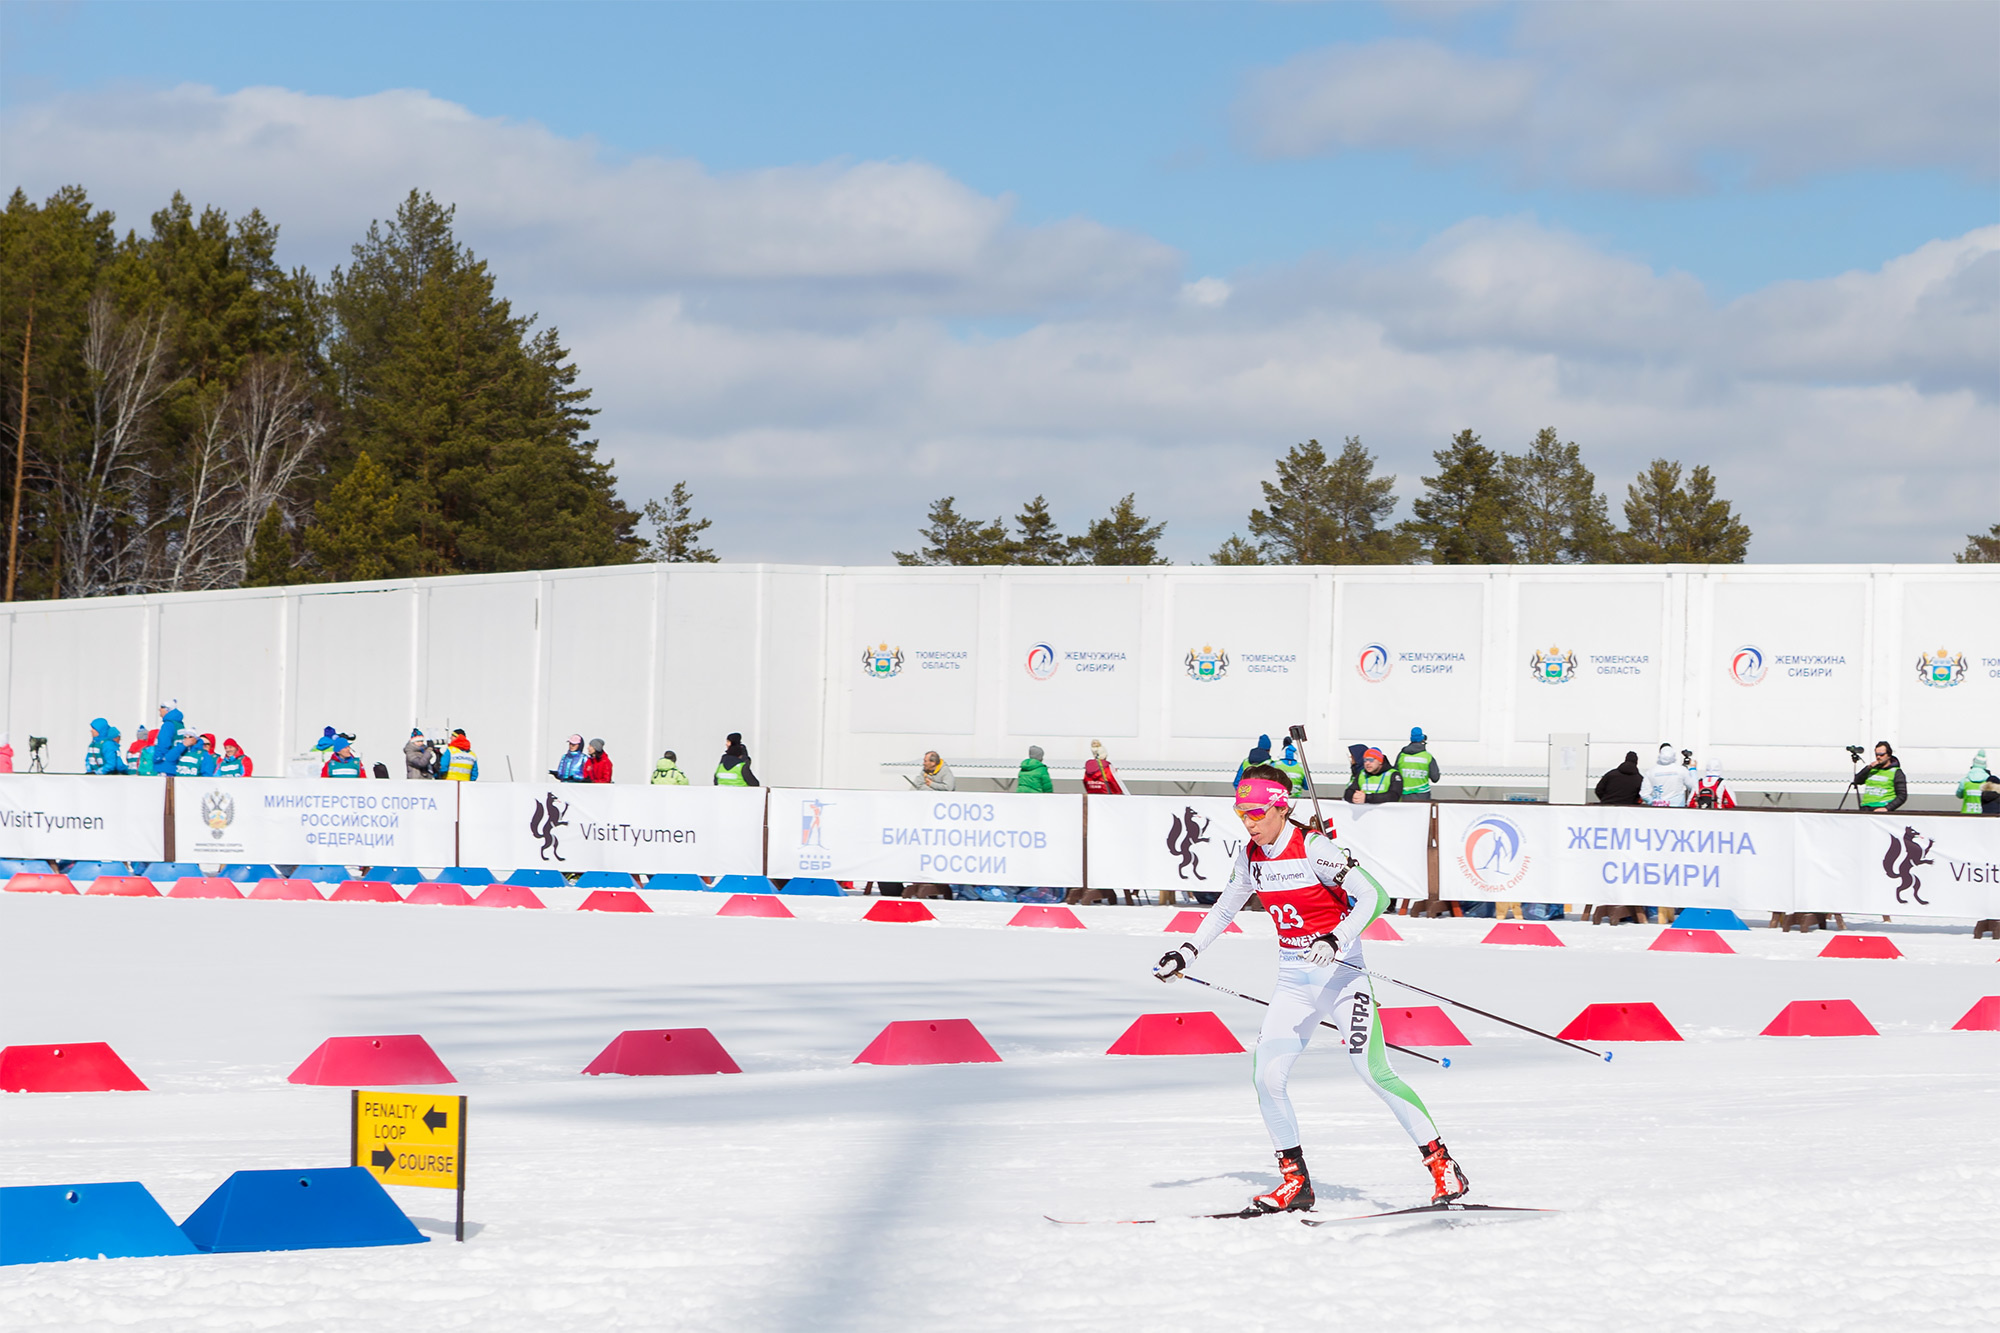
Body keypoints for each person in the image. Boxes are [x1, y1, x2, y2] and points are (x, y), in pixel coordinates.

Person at [1152, 766, 1468, 1213]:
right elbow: (1224, 910)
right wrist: (1187, 951)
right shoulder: (1251, 855)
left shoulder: (1314, 848)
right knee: (1266, 1077)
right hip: (1293, 983)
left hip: (1343, 980)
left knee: (1371, 1070)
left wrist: (1335, 939)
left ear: (1281, 807)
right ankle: (1295, 1184)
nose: (1250, 822)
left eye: (1257, 812)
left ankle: (1444, 1167)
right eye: (1242, 813)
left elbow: (1376, 897)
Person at [1852, 741, 1905, 813]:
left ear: (1889, 755)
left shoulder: (1896, 772)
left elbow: (1902, 795)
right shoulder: (1871, 769)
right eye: (1876, 755)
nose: (1878, 757)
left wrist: (1887, 808)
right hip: (1866, 808)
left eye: (1881, 755)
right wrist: (1868, 768)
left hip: (1882, 808)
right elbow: (1857, 781)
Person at [1395, 727, 1439, 800]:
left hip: (1404, 797)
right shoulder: (1427, 757)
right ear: (1422, 740)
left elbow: (1395, 774)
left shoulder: (1401, 755)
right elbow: (1435, 778)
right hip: (1423, 798)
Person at [1954, 750, 1987, 815]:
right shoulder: (1988, 781)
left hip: (1966, 814)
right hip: (1983, 815)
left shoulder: (1965, 780)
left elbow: (1959, 795)